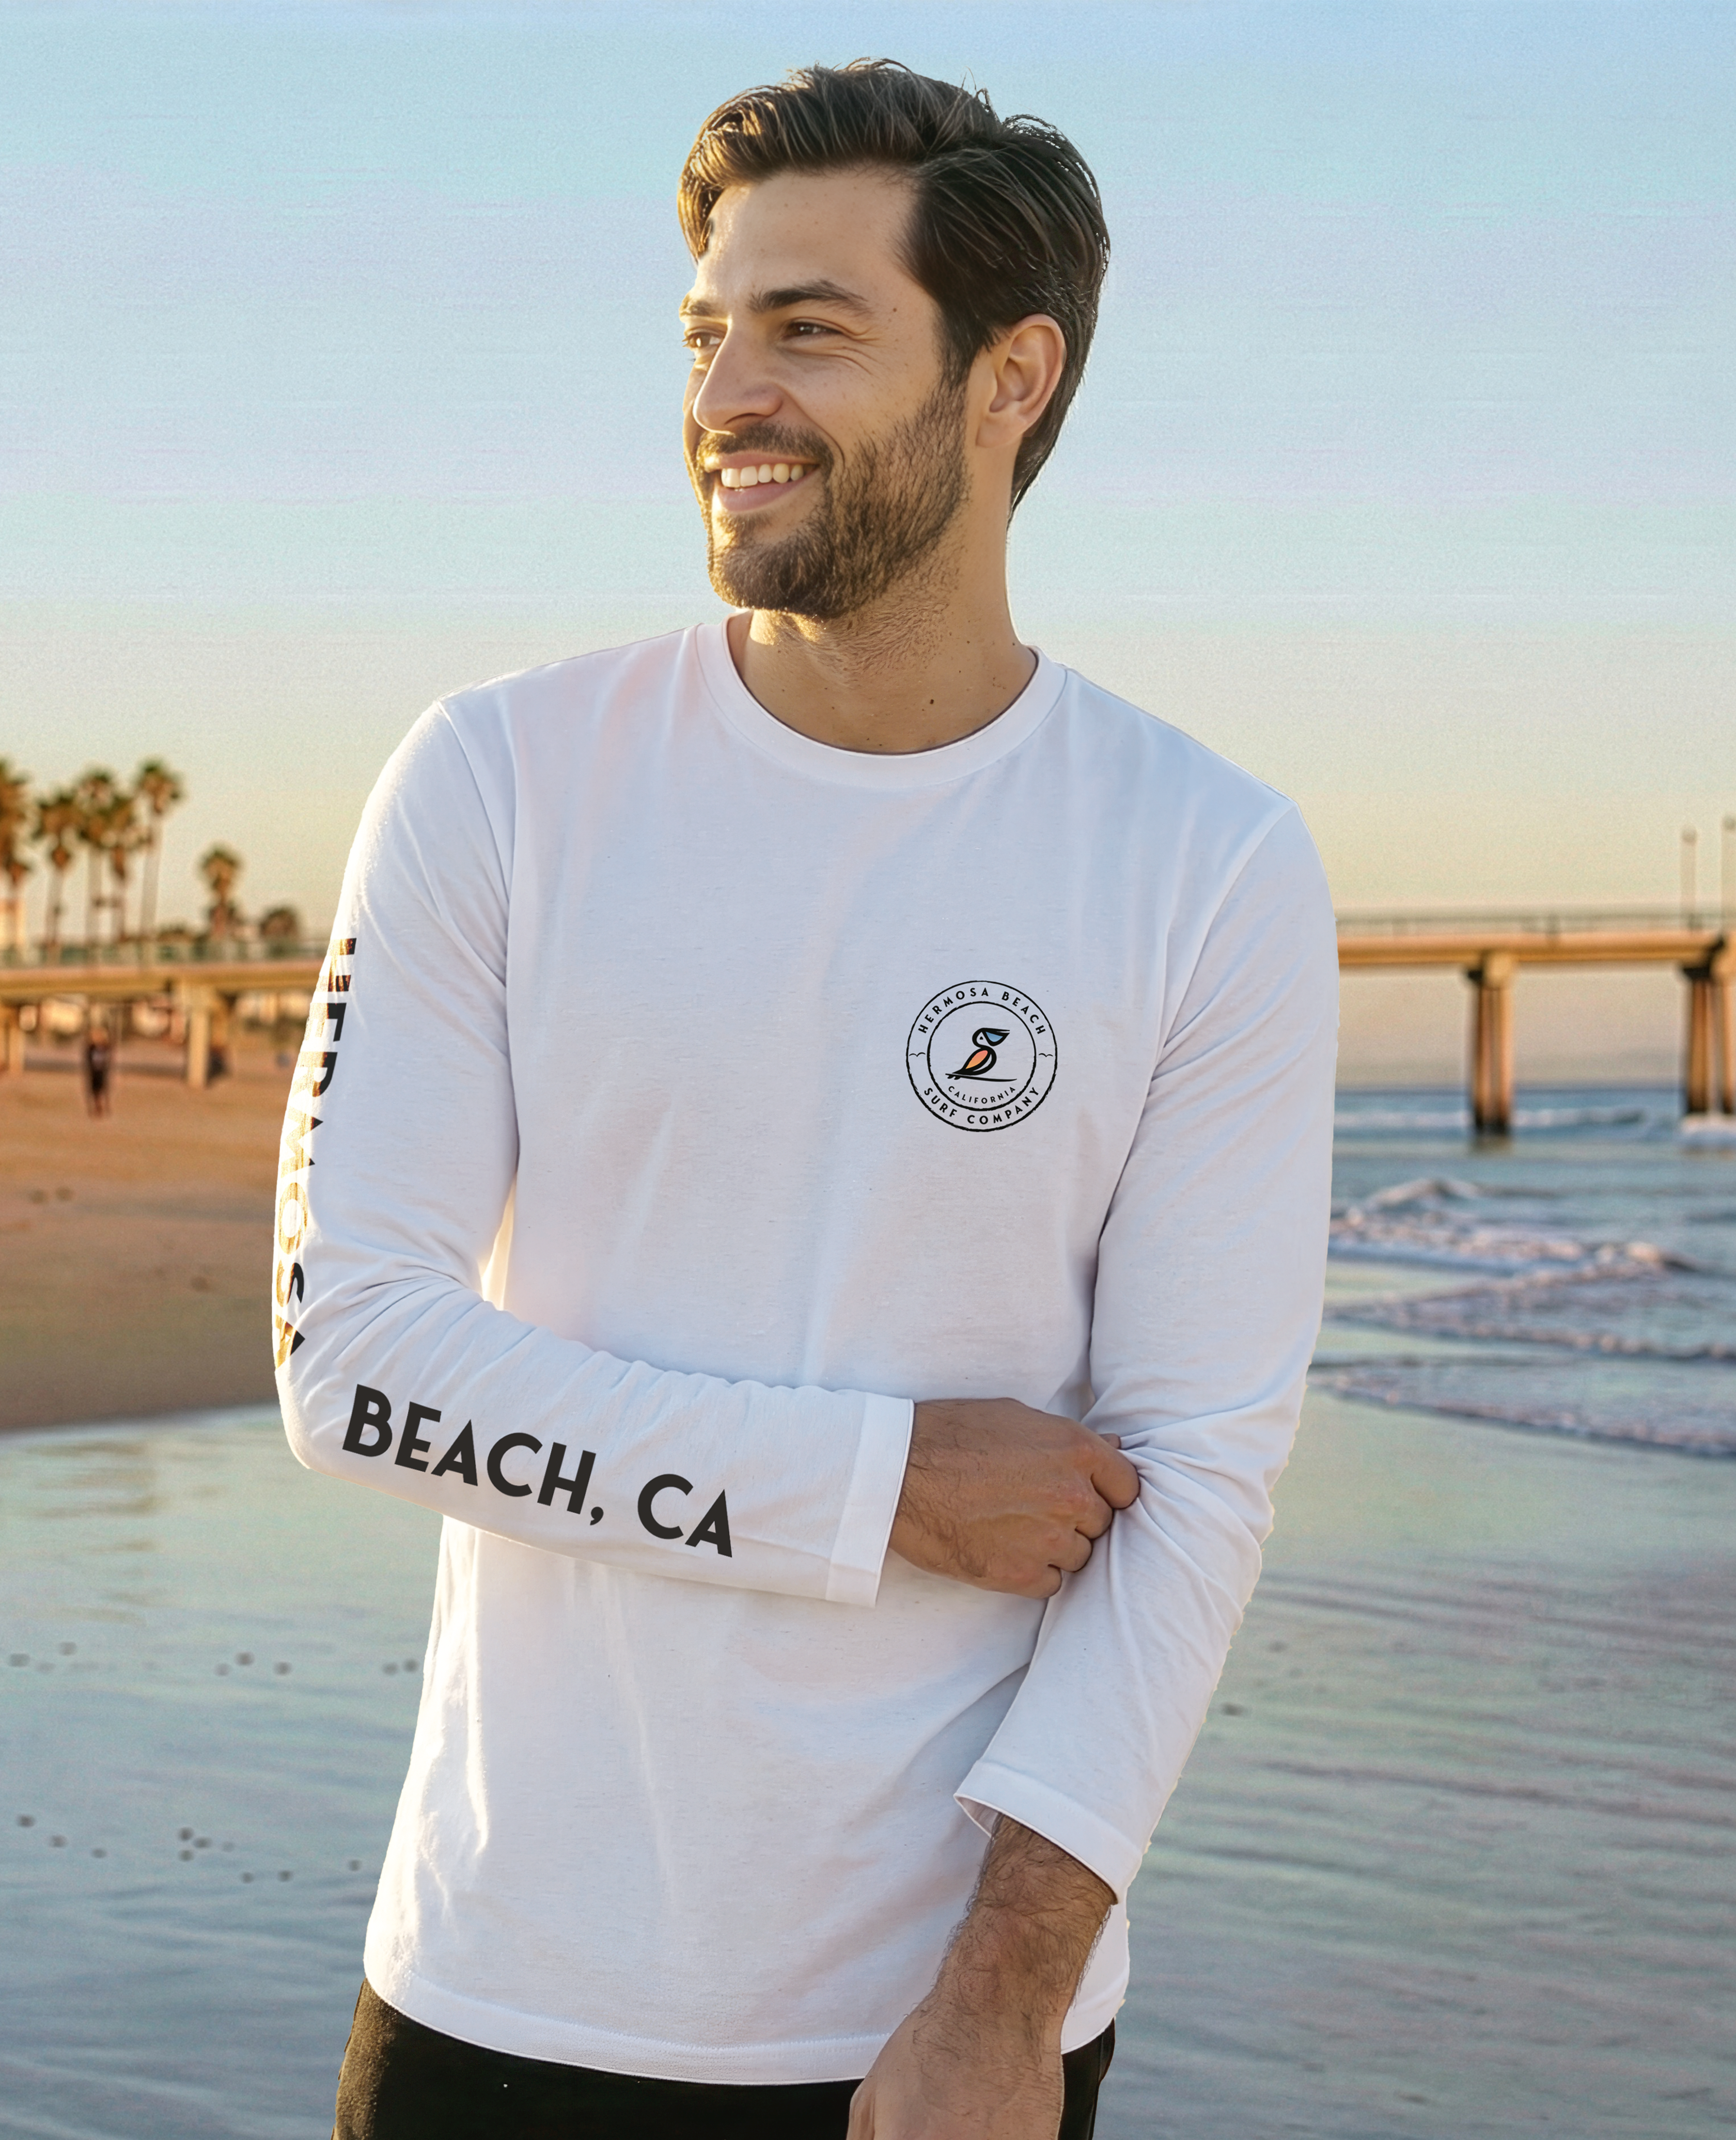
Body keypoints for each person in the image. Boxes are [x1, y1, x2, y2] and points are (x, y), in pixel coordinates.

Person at [275, 60, 1337, 2140]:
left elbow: (1196, 1475)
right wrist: (875, 1484)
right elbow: (348, 1358)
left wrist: (1001, 1989)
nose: (726, 390)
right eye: (708, 329)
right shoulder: (497, 776)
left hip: (935, 2018)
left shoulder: (1203, 855)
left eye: (809, 329)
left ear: (1008, 377)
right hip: (504, 1982)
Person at [82, 1022, 112, 1117]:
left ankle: (104, 1107)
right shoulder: (91, 1048)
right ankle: (95, 1108)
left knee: (103, 1090)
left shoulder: (105, 1047)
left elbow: (110, 1045)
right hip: (94, 1072)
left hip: (102, 1071)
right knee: (94, 1091)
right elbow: (87, 1045)